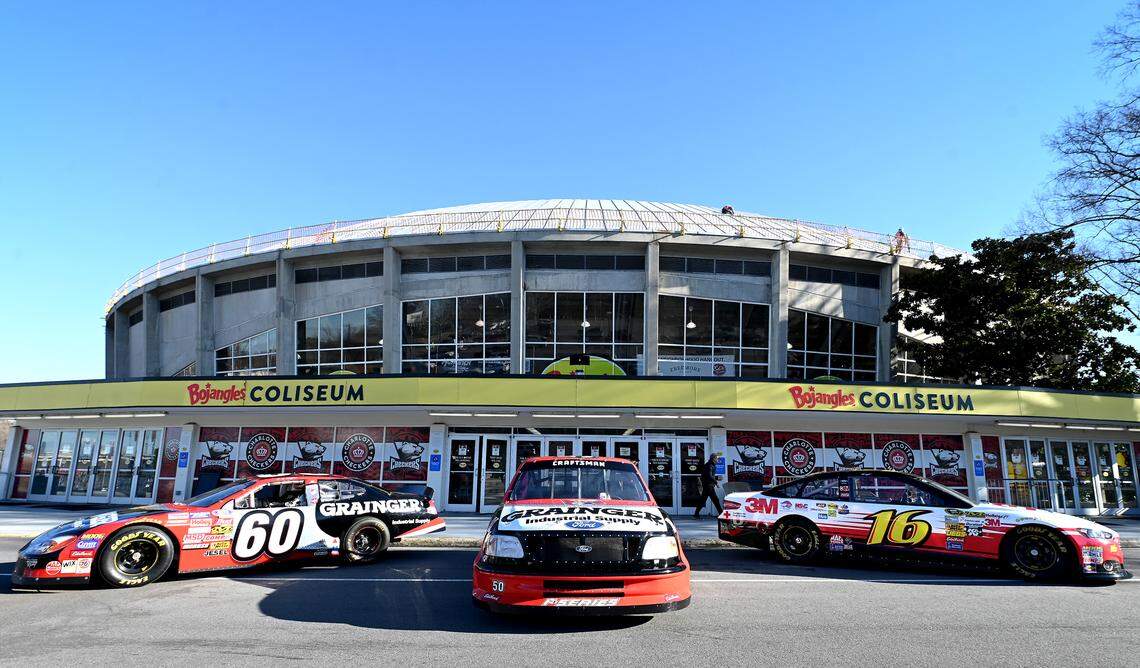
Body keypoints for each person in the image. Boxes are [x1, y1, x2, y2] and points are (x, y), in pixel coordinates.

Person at [694, 452, 723, 518]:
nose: (718, 460)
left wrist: (716, 478)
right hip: (709, 485)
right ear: (714, 458)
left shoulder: (710, 465)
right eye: (717, 459)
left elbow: (709, 475)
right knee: (715, 500)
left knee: (703, 500)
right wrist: (716, 482)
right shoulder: (709, 465)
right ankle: (721, 514)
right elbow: (709, 476)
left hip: (708, 485)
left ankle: (696, 514)